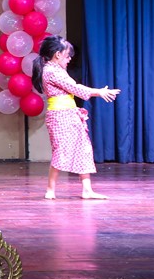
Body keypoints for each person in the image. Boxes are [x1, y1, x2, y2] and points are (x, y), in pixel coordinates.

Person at [31, 35, 120, 200]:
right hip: (60, 116)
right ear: (58, 54)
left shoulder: (58, 70)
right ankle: (50, 189)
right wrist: (99, 92)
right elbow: (74, 88)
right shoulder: (51, 71)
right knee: (61, 151)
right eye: (67, 55)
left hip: (70, 113)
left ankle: (87, 190)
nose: (69, 59)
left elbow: (73, 87)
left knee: (83, 148)